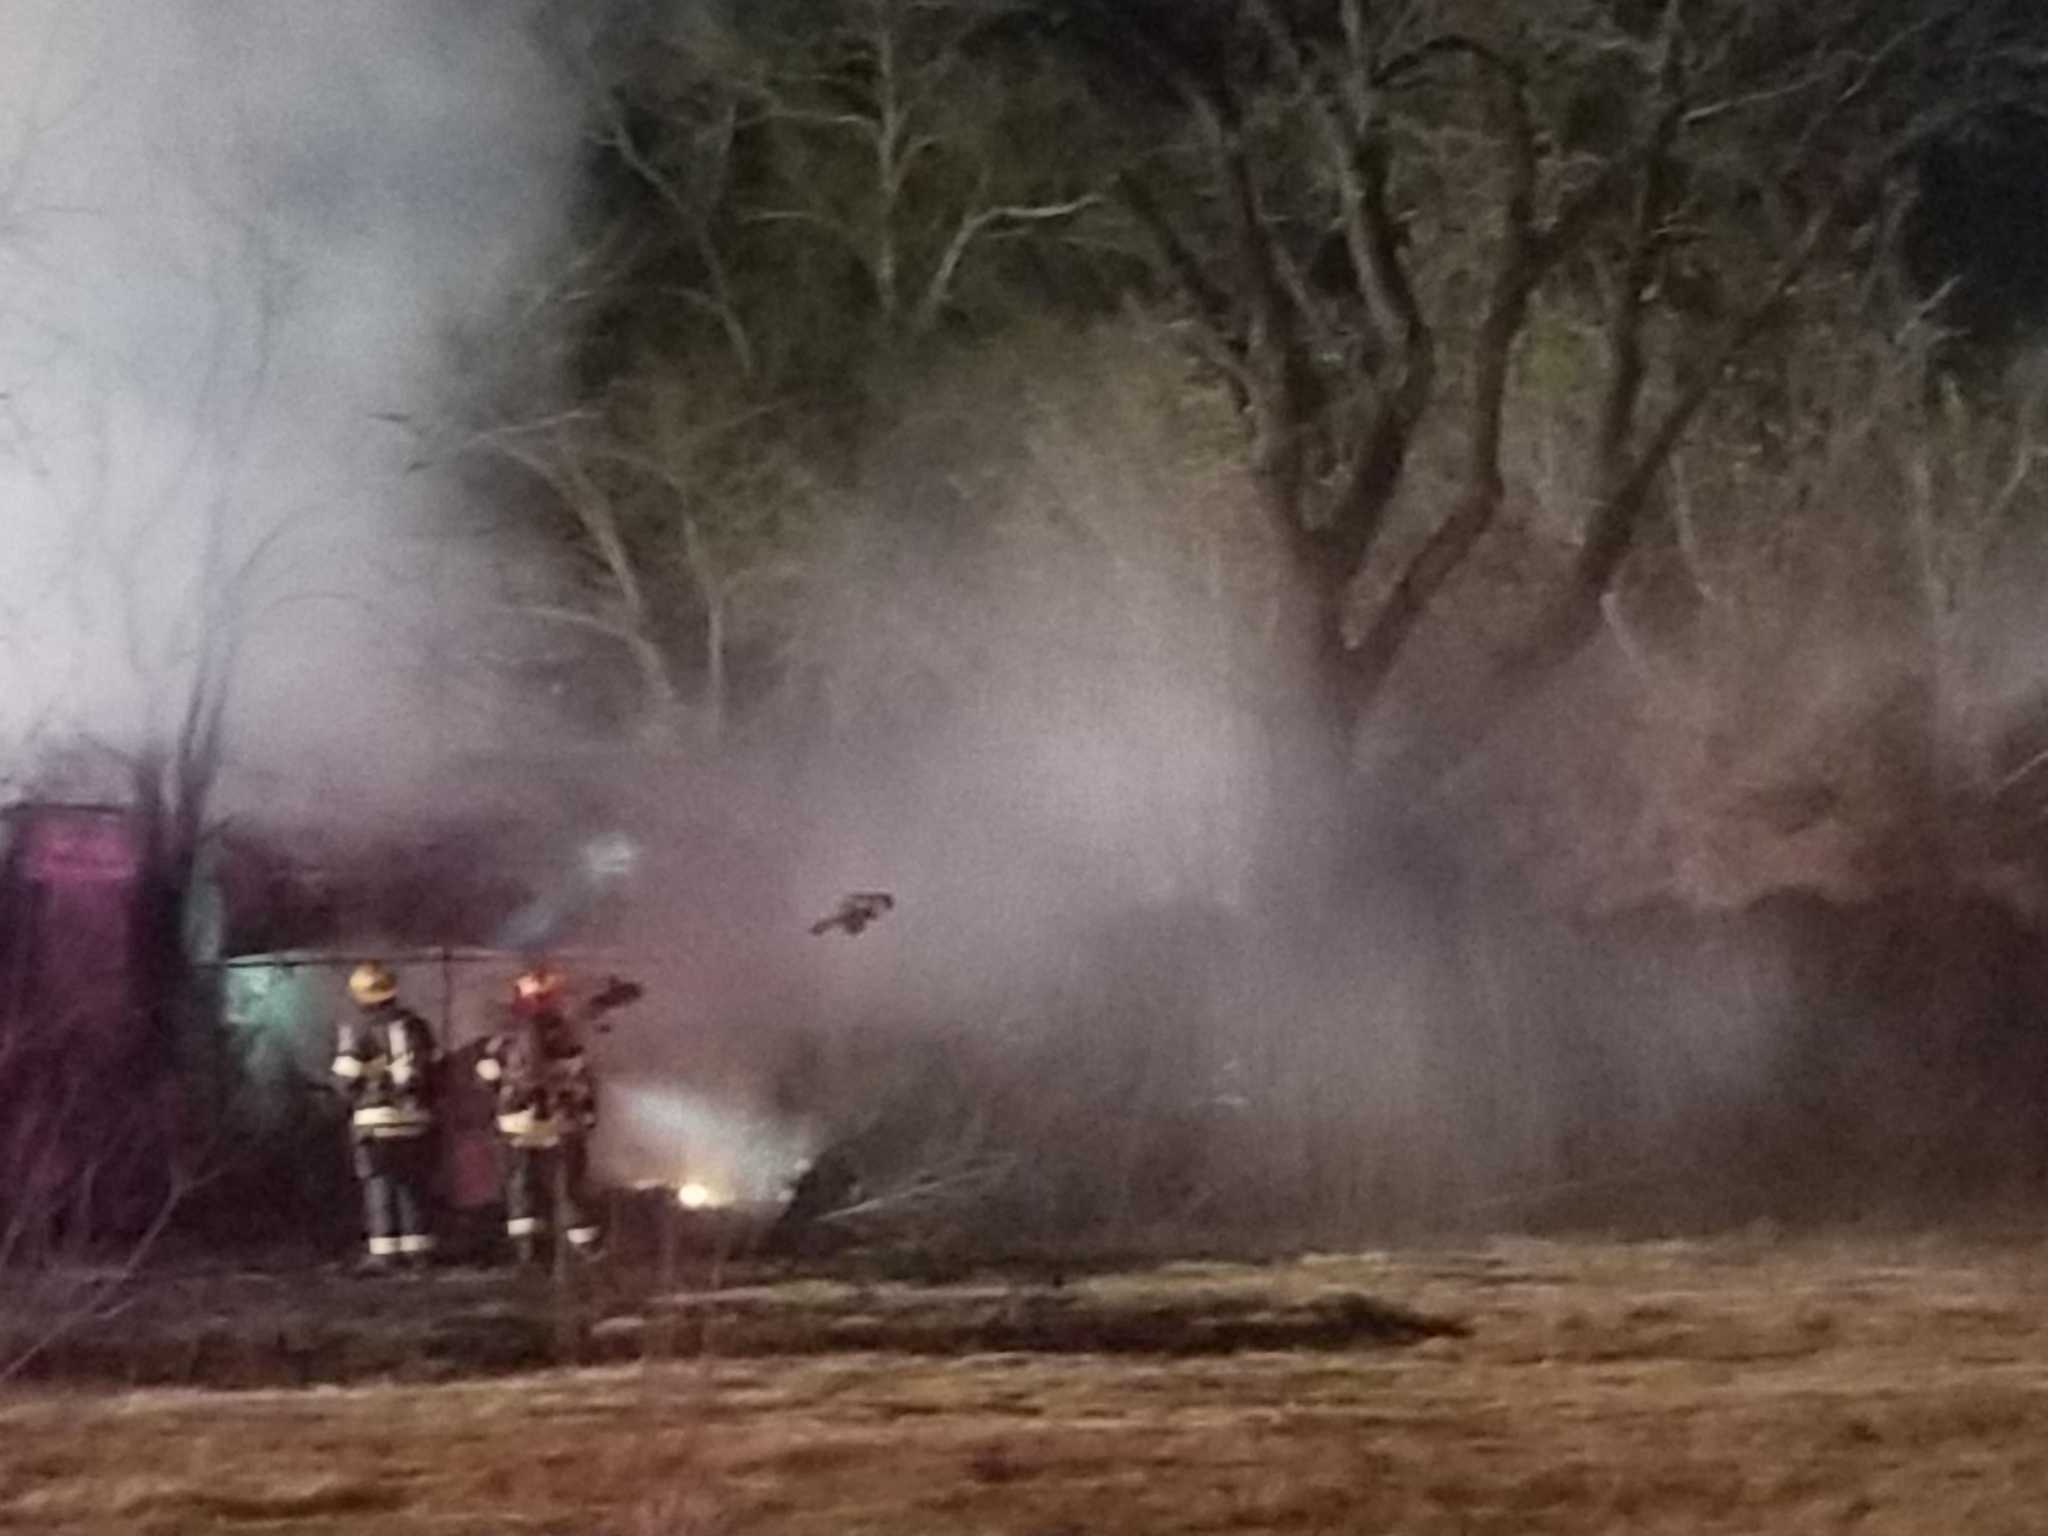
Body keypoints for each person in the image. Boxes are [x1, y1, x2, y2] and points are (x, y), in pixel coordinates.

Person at [475, 964, 612, 1264]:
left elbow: (486, 1075)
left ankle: (528, 1251)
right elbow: (581, 1078)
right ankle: (586, 1247)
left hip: (516, 1122)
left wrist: (503, 1096)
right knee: (568, 1185)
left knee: (521, 1185)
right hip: (559, 1121)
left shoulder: (505, 1036)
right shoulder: (565, 1034)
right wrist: (588, 1112)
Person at [331, 961, 441, 1272]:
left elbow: (346, 1078)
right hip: (415, 1118)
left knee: (379, 1185)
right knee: (413, 1185)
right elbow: (435, 1069)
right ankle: (418, 1250)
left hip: (374, 1120)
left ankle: (383, 1252)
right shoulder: (417, 1025)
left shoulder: (356, 1027)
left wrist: (349, 1098)